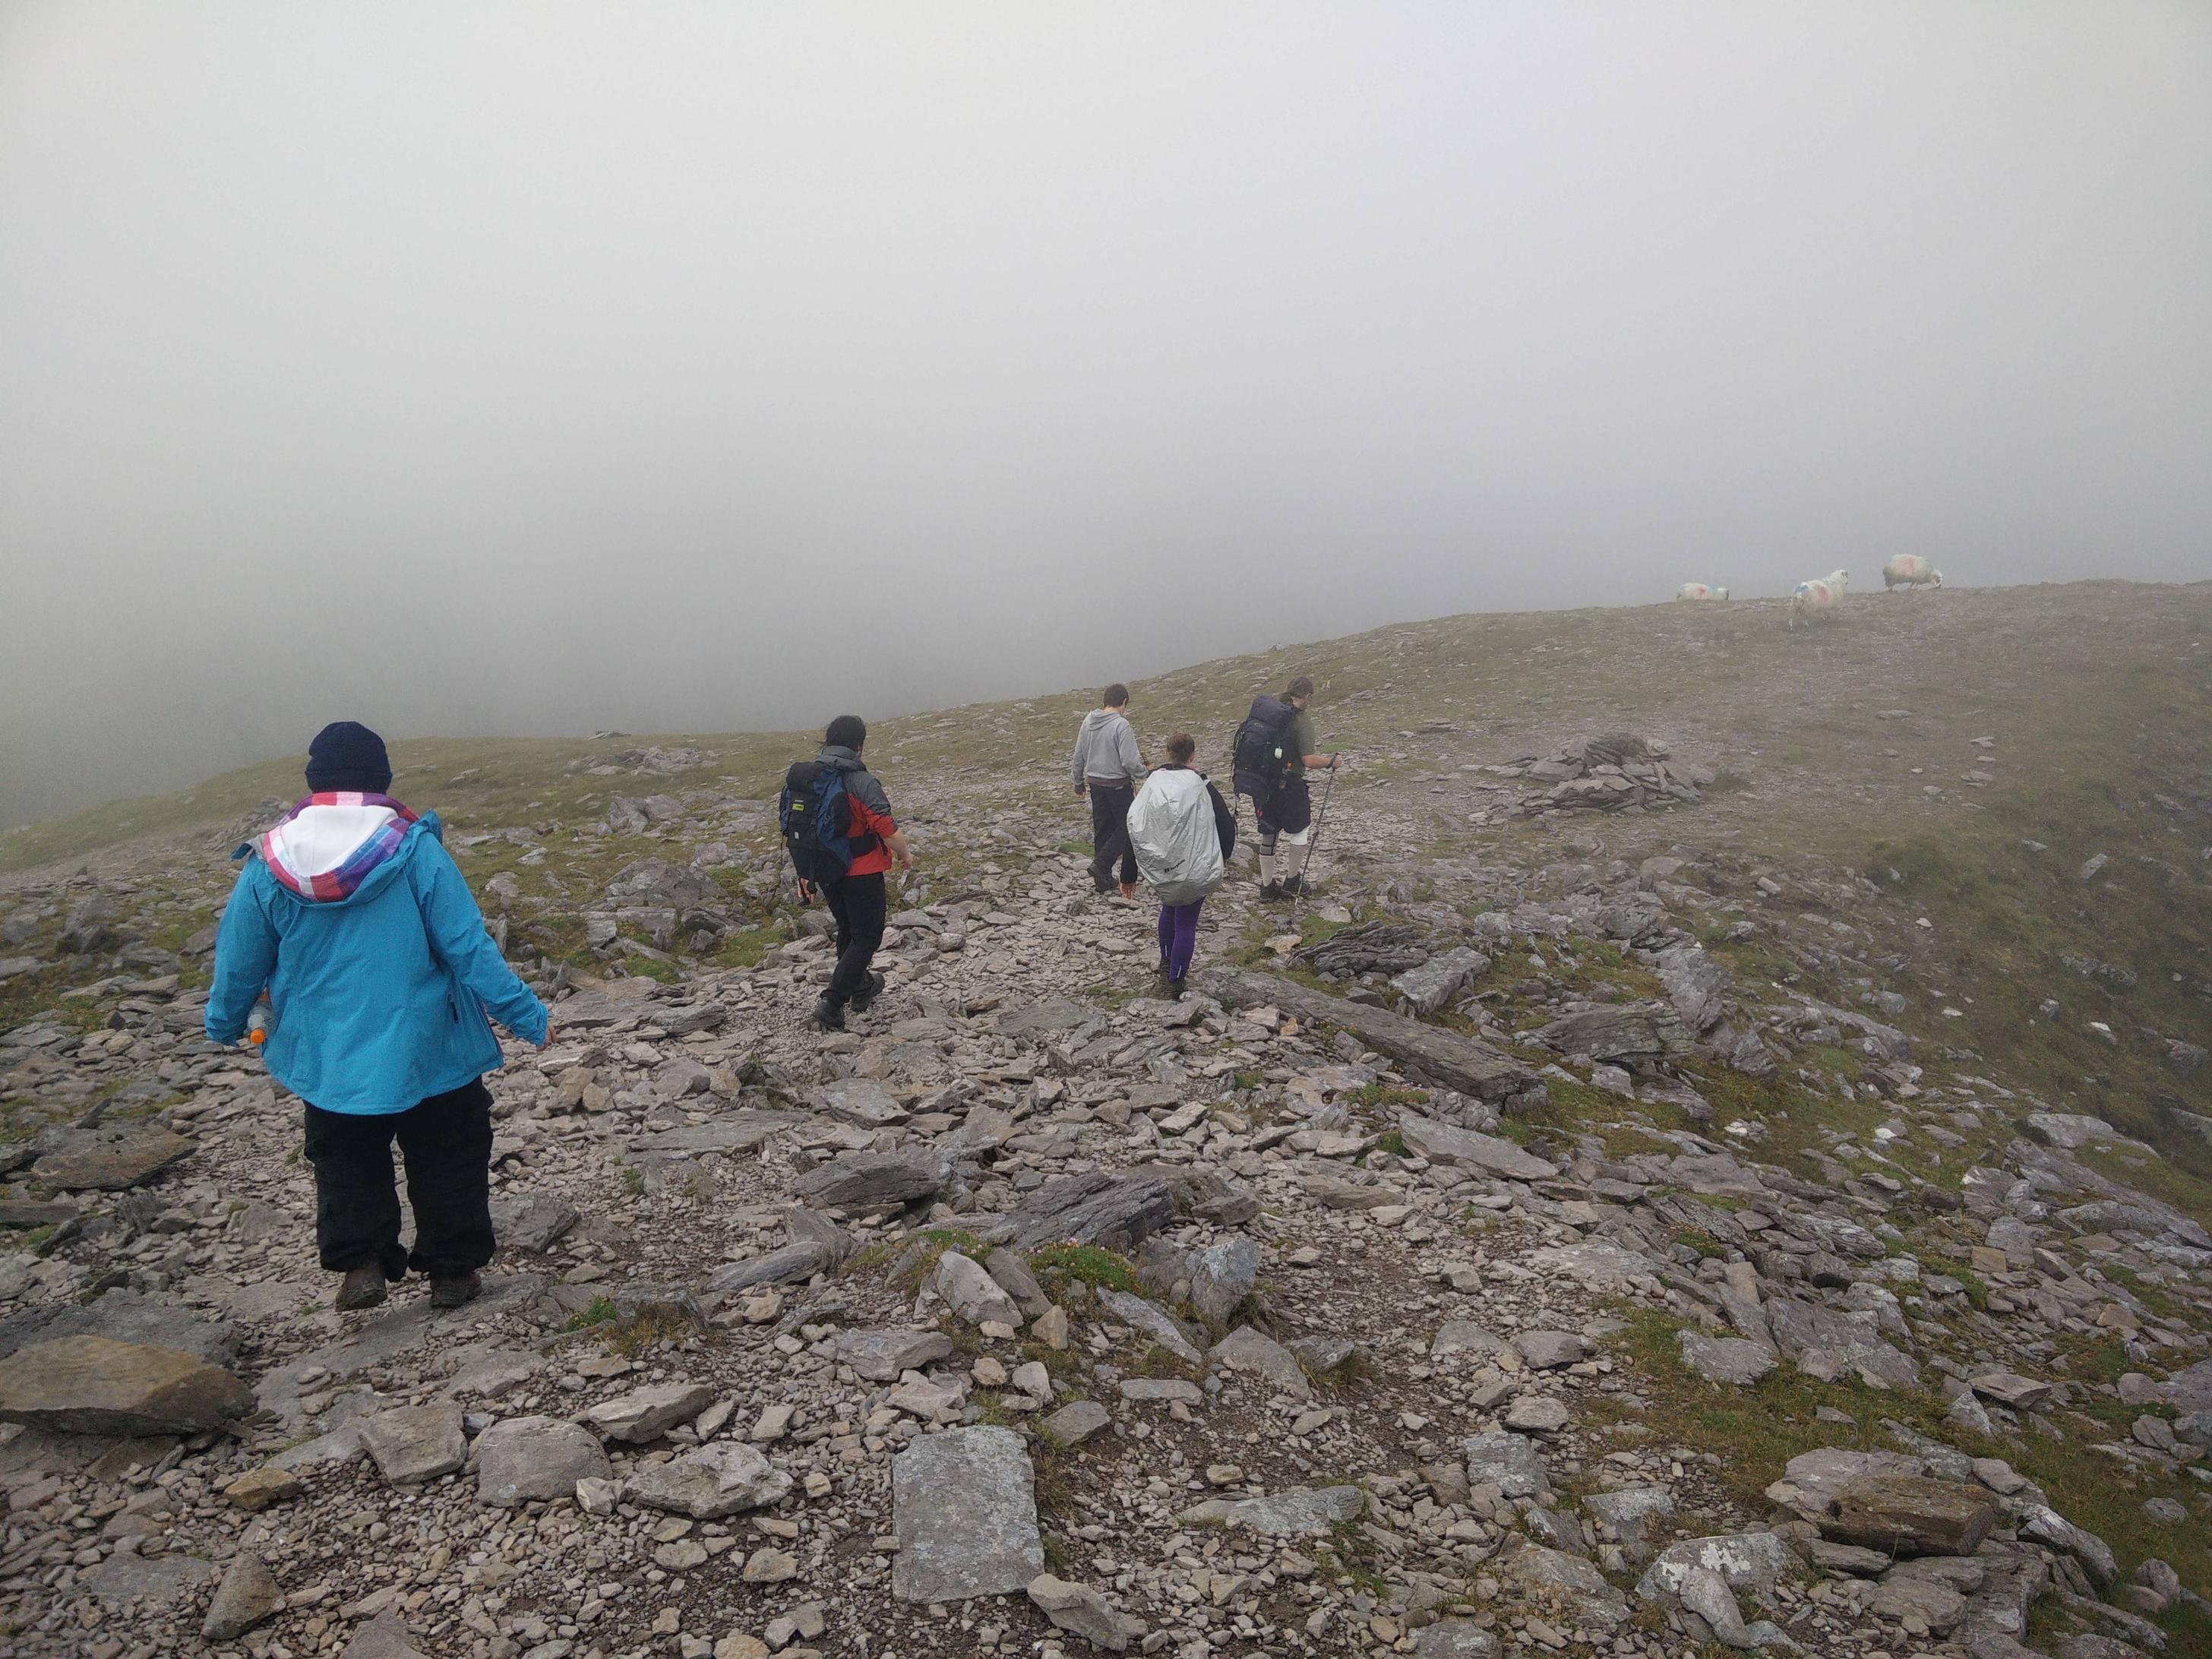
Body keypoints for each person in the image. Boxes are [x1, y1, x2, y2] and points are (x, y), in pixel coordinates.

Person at [204, 722, 550, 1312]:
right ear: (381, 780)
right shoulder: (413, 848)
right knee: (448, 1149)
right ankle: (451, 1269)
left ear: (314, 782)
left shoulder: (270, 862)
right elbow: (468, 946)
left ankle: (361, 1262)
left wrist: (225, 1019)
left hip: (326, 1054)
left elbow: (240, 959)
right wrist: (526, 1015)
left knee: (343, 1155)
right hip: (429, 1045)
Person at [786, 714, 912, 1032]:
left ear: (828, 742)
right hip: (862, 870)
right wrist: (905, 854)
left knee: (847, 929)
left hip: (827, 868)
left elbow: (796, 828)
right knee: (867, 936)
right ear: (859, 745)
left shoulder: (809, 778)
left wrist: (806, 872)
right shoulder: (860, 781)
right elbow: (887, 828)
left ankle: (861, 986)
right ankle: (832, 1002)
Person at [1126, 732, 1239, 997]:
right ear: (1193, 755)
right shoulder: (1202, 785)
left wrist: (1130, 871)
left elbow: (1134, 825)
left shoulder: (1153, 784)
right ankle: (1175, 981)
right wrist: (1221, 858)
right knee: (1187, 922)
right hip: (1195, 866)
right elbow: (1225, 825)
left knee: (1168, 910)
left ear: (1167, 753)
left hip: (1163, 864)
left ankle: (1166, 966)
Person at [1249, 675, 1339, 902]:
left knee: (1269, 833)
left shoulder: (1270, 714)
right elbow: (1308, 760)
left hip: (1262, 785)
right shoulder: (1301, 721)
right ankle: (1292, 880)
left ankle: (1267, 887)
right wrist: (1331, 762)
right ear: (1307, 696)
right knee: (1300, 829)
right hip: (1289, 786)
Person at [1070, 683, 1145, 898]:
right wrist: (1144, 773)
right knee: (1127, 828)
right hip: (1118, 784)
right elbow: (1130, 761)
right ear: (1124, 702)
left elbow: (1079, 755)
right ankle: (1102, 865)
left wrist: (1077, 781)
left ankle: (1102, 879)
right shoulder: (1121, 725)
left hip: (1095, 784)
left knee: (1103, 828)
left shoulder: (1088, 721)